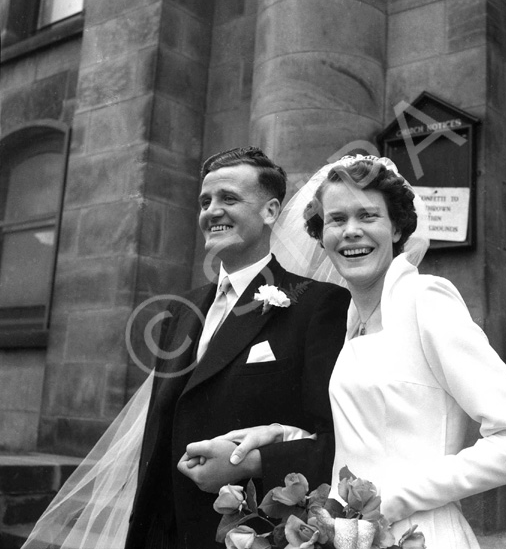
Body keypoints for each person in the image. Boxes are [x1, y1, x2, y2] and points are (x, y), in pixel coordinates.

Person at [212, 156, 506, 548]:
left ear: (396, 228)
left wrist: (389, 502)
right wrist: (280, 435)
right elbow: (365, 438)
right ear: (321, 234)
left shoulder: (425, 300)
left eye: (368, 216)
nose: (351, 231)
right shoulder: (351, 319)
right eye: (336, 220)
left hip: (419, 534)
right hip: (352, 537)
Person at [22, 147, 350, 549]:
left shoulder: (318, 305)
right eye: (205, 201)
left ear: (270, 211)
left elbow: (332, 439)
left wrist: (250, 463)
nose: (212, 211)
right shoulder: (182, 310)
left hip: (251, 532)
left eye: (229, 198)